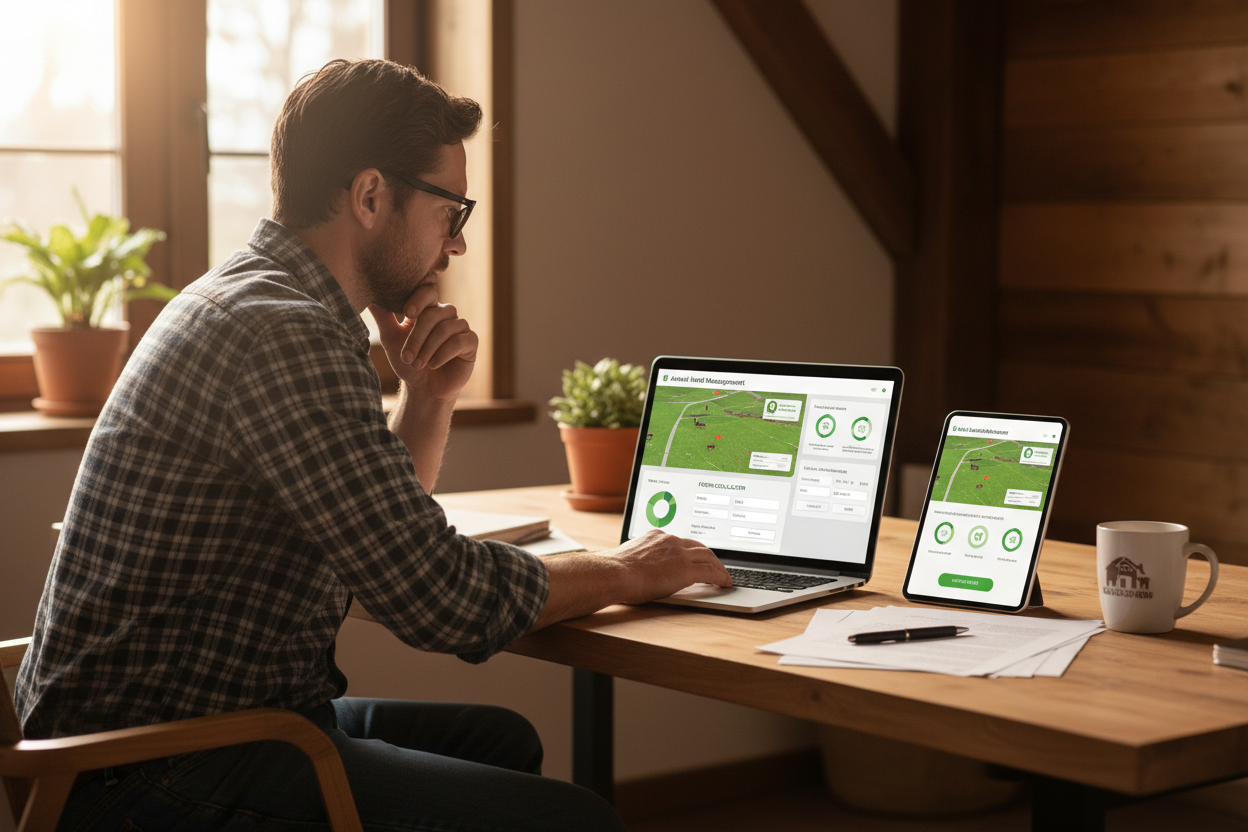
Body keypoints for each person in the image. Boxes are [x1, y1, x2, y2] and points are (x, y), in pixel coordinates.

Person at [16, 58, 730, 832]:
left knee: (501, 741)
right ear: (369, 196)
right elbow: (438, 598)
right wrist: (628, 569)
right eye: (450, 212)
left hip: (198, 724)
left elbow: (378, 552)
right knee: (576, 820)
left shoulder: (251, 297)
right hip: (154, 766)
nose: (455, 245)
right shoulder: (285, 334)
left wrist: (427, 398)